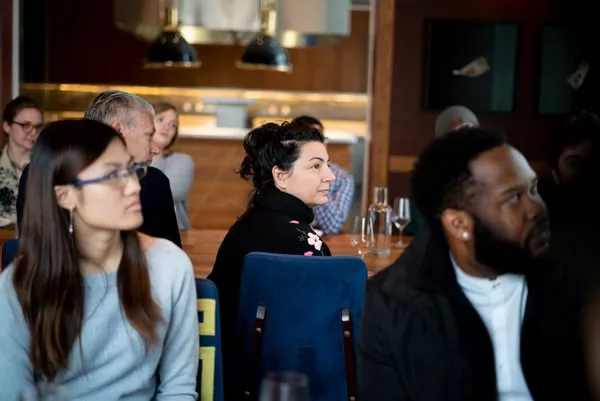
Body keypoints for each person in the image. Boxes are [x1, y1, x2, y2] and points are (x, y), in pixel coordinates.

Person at [357, 127, 590, 400]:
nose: (536, 208)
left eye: (533, 189)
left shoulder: (579, 280)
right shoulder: (391, 303)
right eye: (514, 198)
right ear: (459, 225)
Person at [0, 119, 198, 400]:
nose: (133, 186)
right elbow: (12, 393)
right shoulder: (19, 283)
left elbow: (178, 389)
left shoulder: (169, 266)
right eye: (112, 176)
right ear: (65, 195)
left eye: (131, 170)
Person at [208, 121, 335, 397]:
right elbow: (325, 331)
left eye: (327, 165)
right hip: (293, 380)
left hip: (230, 375)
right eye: (316, 166)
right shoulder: (306, 241)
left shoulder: (245, 225)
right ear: (281, 176)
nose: (330, 176)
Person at [16, 90, 182, 247]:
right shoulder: (153, 182)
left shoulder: (36, 172)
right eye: (148, 135)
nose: (155, 149)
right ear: (118, 130)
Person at [291, 115, 354, 234]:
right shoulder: (284, 173)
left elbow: (332, 227)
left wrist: (317, 176)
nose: (316, 144)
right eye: (309, 139)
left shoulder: (341, 178)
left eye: (319, 138)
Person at [151, 102, 195, 230]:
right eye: (160, 119)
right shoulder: (126, 159)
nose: (167, 127)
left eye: (173, 125)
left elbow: (165, 192)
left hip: (173, 235)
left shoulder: (182, 161)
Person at [0, 96, 43, 227]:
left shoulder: (47, 167)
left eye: (38, 126)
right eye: (26, 125)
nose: (33, 132)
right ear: (7, 126)